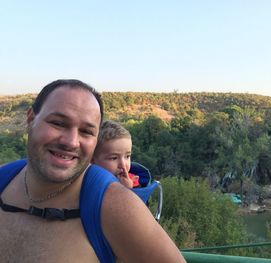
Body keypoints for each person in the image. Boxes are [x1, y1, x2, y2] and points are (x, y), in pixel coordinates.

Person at [0, 79, 185, 263]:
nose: (71, 142)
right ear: (31, 119)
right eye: (58, 123)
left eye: (86, 132)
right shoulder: (3, 180)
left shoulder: (116, 207)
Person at [92, 120, 139, 189]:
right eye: (114, 158)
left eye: (127, 156)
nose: (123, 165)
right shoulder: (86, 184)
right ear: (92, 161)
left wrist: (128, 188)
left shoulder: (133, 181)